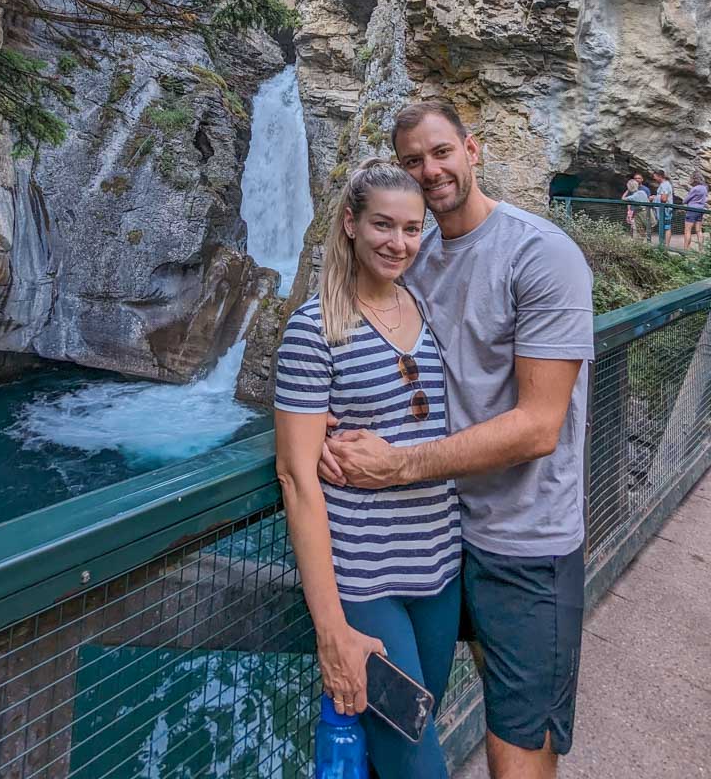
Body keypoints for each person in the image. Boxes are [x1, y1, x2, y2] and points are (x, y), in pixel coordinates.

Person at [319, 100, 594, 779]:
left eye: (441, 152)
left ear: (472, 150)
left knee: (517, 741)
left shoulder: (542, 254)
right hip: (433, 539)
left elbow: (539, 426)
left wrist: (396, 466)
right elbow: (355, 346)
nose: (430, 169)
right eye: (412, 160)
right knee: (405, 723)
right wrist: (321, 422)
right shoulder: (412, 253)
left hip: (525, 542)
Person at [275, 160, 461, 779]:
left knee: (396, 754)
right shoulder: (314, 329)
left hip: (439, 569)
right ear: (350, 224)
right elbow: (298, 480)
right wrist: (331, 628)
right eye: (383, 225)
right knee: (417, 763)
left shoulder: (428, 310)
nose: (398, 242)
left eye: (412, 229)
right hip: (364, 580)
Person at [683, 171, 708, 251]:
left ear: (694, 179)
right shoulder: (704, 188)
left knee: (687, 230)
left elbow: (685, 200)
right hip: (701, 210)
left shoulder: (695, 189)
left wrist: (684, 200)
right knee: (699, 230)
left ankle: (685, 250)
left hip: (692, 210)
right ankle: (701, 250)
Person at [651, 169, 674, 248]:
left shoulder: (664, 185)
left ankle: (666, 246)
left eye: (655, 177)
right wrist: (656, 197)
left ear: (659, 176)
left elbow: (664, 199)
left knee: (667, 227)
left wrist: (654, 198)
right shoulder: (665, 184)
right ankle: (663, 244)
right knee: (665, 226)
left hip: (665, 210)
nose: (654, 178)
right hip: (664, 209)